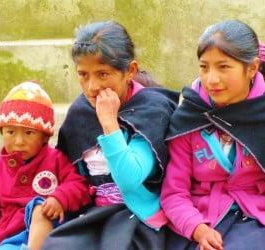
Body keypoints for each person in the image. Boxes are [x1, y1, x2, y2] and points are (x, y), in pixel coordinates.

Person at [160, 19, 265, 250]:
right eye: (204, 66)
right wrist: (197, 228)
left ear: (252, 68)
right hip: (195, 221)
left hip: (254, 220)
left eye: (224, 67)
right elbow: (173, 193)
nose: (211, 79)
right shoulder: (190, 114)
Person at [40, 20, 179, 250]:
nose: (92, 86)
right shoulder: (81, 110)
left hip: (137, 216)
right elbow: (68, 170)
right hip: (93, 214)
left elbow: (130, 178)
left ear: (130, 71)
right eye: (83, 75)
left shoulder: (152, 109)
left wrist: (109, 123)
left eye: (103, 74)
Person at [0, 81, 91, 250]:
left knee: (39, 206)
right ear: (1, 132)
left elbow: (80, 186)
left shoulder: (56, 160)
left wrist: (60, 197)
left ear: (45, 137)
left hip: (54, 235)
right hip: (12, 240)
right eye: (10, 132)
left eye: (29, 133)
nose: (19, 141)